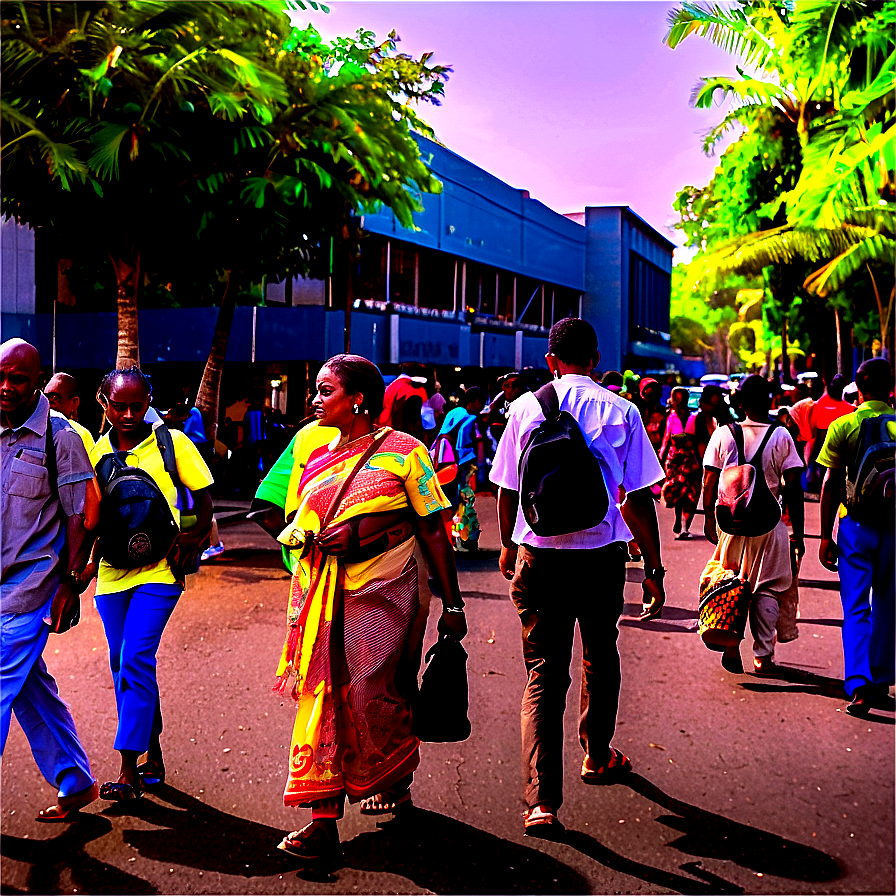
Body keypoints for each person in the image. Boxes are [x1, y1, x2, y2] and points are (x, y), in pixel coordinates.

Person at [271, 354, 466, 862]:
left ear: (357, 398)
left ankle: (392, 773)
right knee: (323, 694)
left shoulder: (405, 452)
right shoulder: (313, 460)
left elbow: (431, 527)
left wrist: (454, 602)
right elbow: (293, 520)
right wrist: (306, 537)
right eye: (316, 390)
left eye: (325, 390)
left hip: (385, 590)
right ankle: (323, 818)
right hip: (320, 595)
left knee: (370, 692)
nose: (315, 400)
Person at [490, 318, 666, 839]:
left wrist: (507, 541)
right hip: (601, 556)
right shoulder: (623, 410)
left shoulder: (524, 408)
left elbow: (504, 488)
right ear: (595, 360)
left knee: (544, 672)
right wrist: (653, 568)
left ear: (551, 360)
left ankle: (541, 801)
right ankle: (597, 753)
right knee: (600, 652)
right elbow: (636, 499)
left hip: (539, 556)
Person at [81, 367, 214, 800]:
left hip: (160, 572)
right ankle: (151, 747)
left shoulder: (173, 443)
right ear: (104, 402)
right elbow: (92, 518)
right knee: (123, 664)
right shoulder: (95, 453)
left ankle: (127, 769)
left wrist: (193, 537)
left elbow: (204, 498)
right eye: (119, 405)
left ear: (149, 400)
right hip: (112, 574)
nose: (129, 413)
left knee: (136, 656)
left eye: (138, 405)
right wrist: (81, 567)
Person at [1, 339, 101, 821]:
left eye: (17, 379)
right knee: (26, 687)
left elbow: (80, 515)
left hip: (31, 589)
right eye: (0, 375)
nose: (5, 387)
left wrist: (68, 584)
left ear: (38, 382)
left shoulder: (59, 437)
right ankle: (75, 778)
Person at [702, 375, 805, 675]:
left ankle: (732, 643)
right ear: (770, 402)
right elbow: (794, 487)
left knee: (730, 582)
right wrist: (797, 532)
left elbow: (710, 478)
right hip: (769, 525)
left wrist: (709, 517)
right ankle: (763, 655)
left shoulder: (723, 433)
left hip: (731, 524)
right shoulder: (781, 435)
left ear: (741, 404)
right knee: (768, 588)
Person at [816, 358, 894, 716]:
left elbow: (831, 483)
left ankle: (859, 684)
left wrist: (823, 536)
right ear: (891, 386)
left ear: (858, 386)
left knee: (856, 607)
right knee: (888, 607)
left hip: (855, 528)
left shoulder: (843, 425)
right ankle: (881, 680)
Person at [433, 387, 487, 551]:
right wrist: (476, 465)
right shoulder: (469, 417)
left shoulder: (454, 412)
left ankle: (447, 538)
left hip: (441, 457)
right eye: (481, 403)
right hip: (457, 461)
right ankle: (460, 539)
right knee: (461, 499)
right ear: (475, 401)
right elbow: (463, 444)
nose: (481, 407)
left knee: (445, 500)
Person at [660, 387, 701, 540]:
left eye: (681, 398)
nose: (679, 402)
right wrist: (661, 458)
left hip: (689, 459)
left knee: (689, 493)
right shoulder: (671, 417)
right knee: (676, 491)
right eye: (676, 398)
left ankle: (685, 526)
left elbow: (697, 440)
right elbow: (666, 438)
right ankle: (679, 521)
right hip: (674, 459)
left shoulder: (694, 417)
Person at [803, 374, 853, 494]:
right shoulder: (847, 408)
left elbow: (812, 422)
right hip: (835, 439)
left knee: (822, 468)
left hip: (822, 438)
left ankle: (820, 488)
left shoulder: (819, 403)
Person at [43, 372, 95, 455]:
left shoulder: (80, 434)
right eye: (45, 398)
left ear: (74, 402)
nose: (48, 404)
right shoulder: (35, 428)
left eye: (54, 398)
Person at [378, 362, 429, 437]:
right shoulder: (412, 388)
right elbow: (424, 413)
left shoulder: (393, 385)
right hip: (401, 430)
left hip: (384, 424)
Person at [686, 384, 733, 459]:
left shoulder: (724, 420)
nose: (717, 407)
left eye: (718, 403)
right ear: (704, 403)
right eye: (713, 404)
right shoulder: (697, 420)